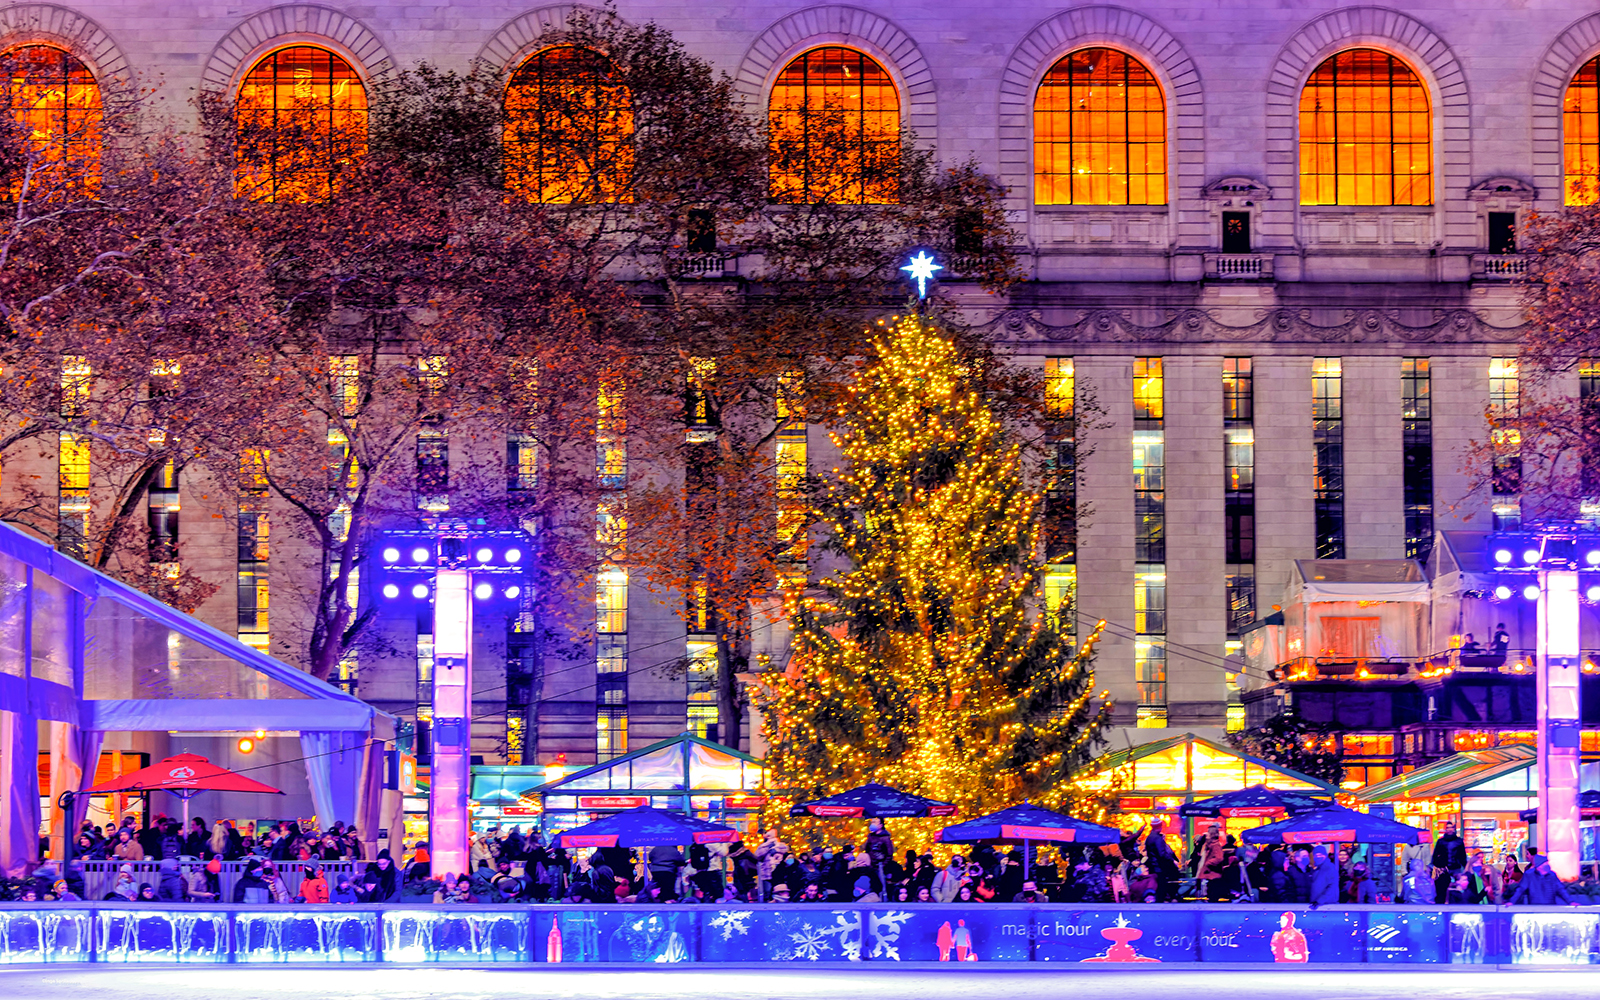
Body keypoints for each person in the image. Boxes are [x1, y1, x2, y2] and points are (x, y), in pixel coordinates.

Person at [1509, 855, 1576, 906]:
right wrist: (1512, 902)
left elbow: (1561, 889)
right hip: (1534, 908)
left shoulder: (1552, 875)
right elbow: (1521, 889)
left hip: (1550, 908)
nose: (1548, 865)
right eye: (1545, 863)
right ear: (1539, 865)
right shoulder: (1529, 875)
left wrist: (1571, 902)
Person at [1144, 819, 1181, 902]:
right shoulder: (1157, 838)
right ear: (1160, 826)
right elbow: (1162, 854)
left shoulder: (1149, 837)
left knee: (1157, 888)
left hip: (1153, 867)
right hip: (1160, 868)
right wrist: (1172, 861)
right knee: (1162, 888)